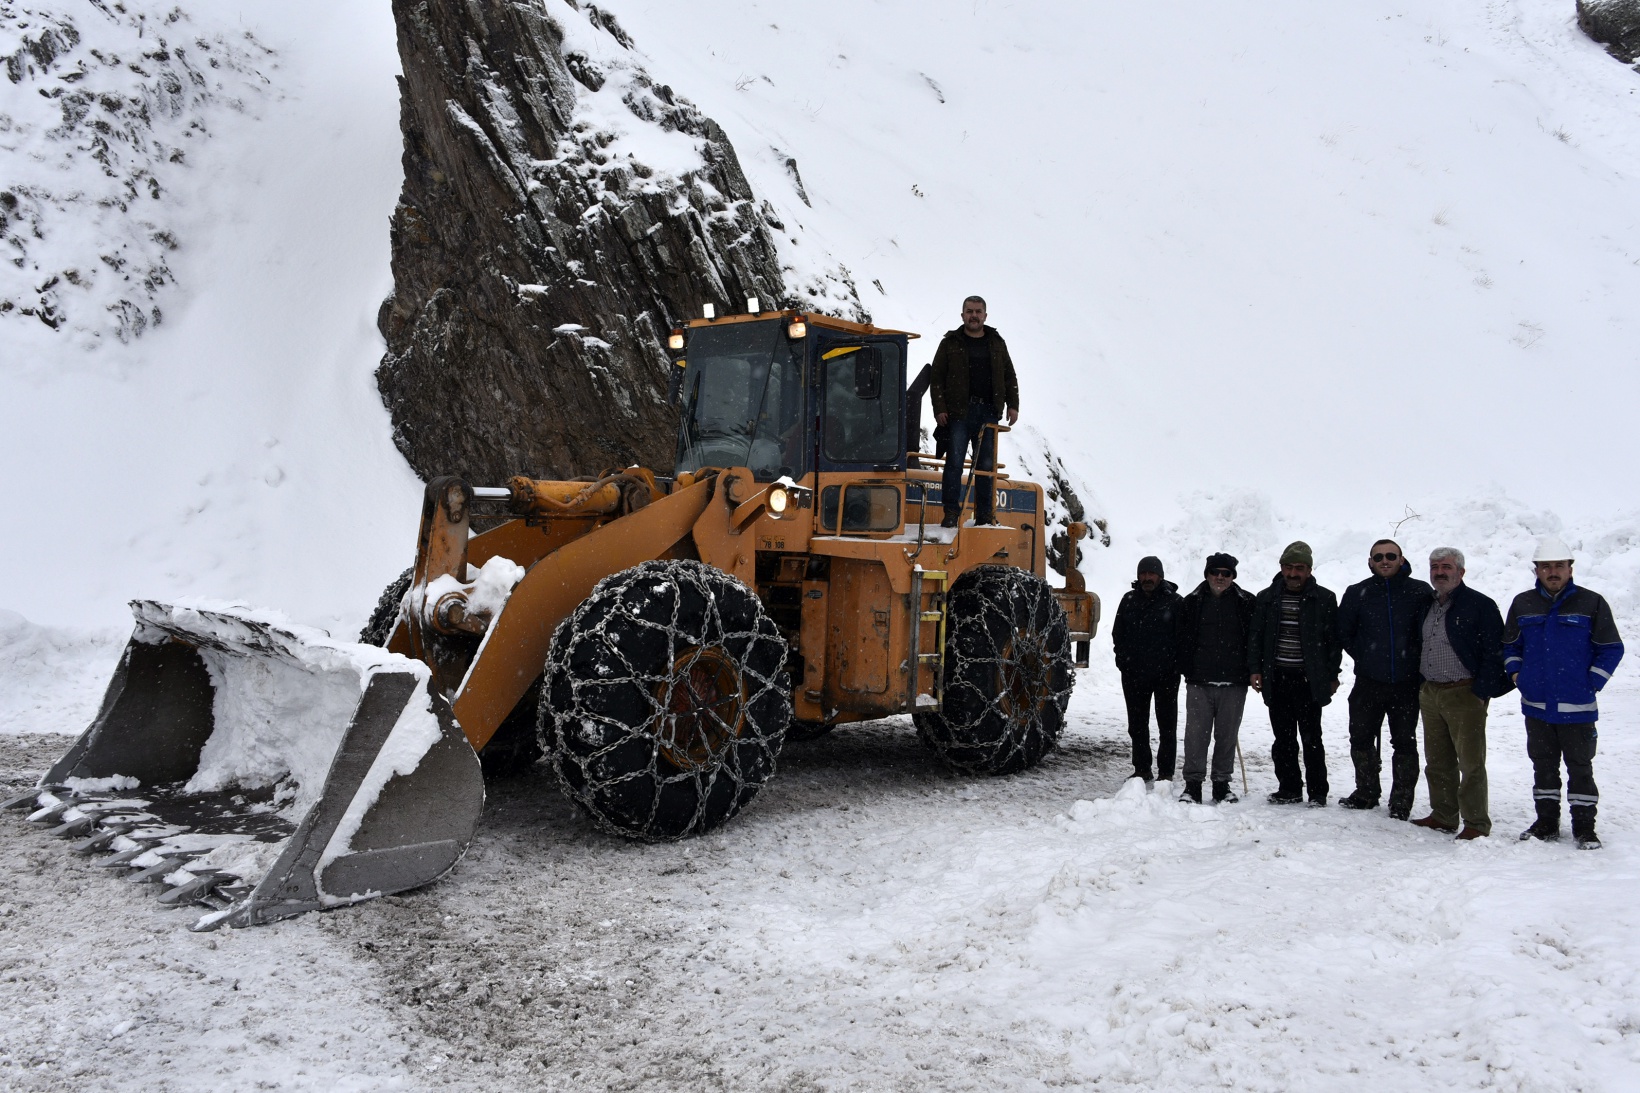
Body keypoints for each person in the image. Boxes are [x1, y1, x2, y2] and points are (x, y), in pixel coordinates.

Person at [1503, 535, 1625, 849]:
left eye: (1559, 565)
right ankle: (1546, 824)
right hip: (1537, 706)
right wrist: (1518, 674)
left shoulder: (1591, 602)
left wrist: (1592, 682)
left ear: (1570, 569)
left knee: (1580, 769)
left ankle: (1585, 829)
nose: (1553, 571)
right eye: (1546, 566)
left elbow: (1611, 648)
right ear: (1537, 571)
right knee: (1543, 767)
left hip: (1578, 706)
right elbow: (1510, 646)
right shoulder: (1522, 603)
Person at [1410, 547, 1511, 840]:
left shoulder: (1480, 604)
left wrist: (1481, 691)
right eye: (1434, 567)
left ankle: (1476, 823)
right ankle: (1443, 815)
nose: (1440, 572)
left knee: (1470, 763)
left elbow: (1496, 651)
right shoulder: (1427, 604)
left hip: (1464, 692)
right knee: (1437, 760)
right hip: (1431, 692)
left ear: (1461, 572)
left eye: (1446, 566)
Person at [1336, 539, 1434, 819]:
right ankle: (1366, 792)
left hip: (1406, 682)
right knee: (1361, 738)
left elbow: (1427, 632)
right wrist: (1365, 656)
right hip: (1368, 680)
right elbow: (1344, 631)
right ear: (1370, 562)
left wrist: (1412, 660)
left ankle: (1401, 801)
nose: (1385, 561)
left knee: (1404, 742)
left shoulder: (1419, 591)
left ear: (1402, 560)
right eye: (1378, 557)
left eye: (1391, 556)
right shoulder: (1358, 592)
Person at [1248, 541, 1340, 806]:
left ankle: (1318, 792)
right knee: (1283, 738)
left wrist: (1332, 674)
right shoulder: (1266, 598)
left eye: (1299, 568)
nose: (1293, 573)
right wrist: (1255, 669)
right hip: (1277, 678)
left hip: (1308, 679)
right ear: (1281, 567)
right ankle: (1289, 788)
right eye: (1288, 567)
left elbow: (1333, 641)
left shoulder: (1324, 598)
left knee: (1312, 739)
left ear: (1309, 570)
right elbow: (1256, 636)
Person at [928, 296, 1020, 528]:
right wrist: (940, 409)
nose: (974, 315)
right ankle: (950, 513)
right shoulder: (950, 342)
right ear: (962, 315)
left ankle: (985, 516)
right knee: (954, 464)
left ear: (985, 316)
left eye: (978, 311)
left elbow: (1009, 375)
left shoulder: (997, 342)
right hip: (959, 412)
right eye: (969, 311)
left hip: (989, 413)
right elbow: (936, 378)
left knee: (986, 467)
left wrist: (1013, 404)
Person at [1175, 552, 1256, 804]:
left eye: (1226, 573)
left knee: (1227, 735)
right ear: (1207, 574)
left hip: (1234, 682)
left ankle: (1221, 784)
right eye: (1215, 572)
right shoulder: (1191, 602)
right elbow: (1181, 640)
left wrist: (1252, 670)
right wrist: (1186, 668)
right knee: (1196, 735)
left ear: (1233, 576)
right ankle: (1193, 785)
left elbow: (1254, 641)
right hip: (1199, 681)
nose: (1220, 577)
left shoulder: (1247, 604)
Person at [1112, 556, 1183, 783]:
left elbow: (1184, 638)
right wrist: (1123, 661)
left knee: (1167, 726)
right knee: (1137, 725)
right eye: (1143, 574)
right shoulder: (1129, 600)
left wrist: (1174, 665)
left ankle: (1166, 772)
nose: (1147, 578)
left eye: (1151, 574)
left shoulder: (1175, 602)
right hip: (1134, 676)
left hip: (1166, 676)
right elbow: (1118, 634)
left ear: (1160, 576)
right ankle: (1142, 769)